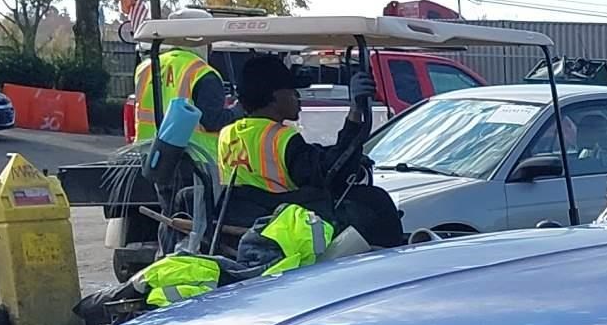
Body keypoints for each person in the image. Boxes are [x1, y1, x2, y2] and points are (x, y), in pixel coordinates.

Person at [209, 52, 406, 250]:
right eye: (293, 91)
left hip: (244, 217)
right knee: (374, 200)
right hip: (287, 226)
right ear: (276, 97)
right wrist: (355, 112)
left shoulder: (228, 133)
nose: (298, 98)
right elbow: (330, 173)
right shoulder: (281, 137)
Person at [131, 40, 231, 177]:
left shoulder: (145, 67)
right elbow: (212, 121)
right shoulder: (202, 72)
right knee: (195, 198)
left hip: (151, 154)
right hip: (195, 158)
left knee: (166, 197)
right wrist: (238, 110)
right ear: (201, 42)